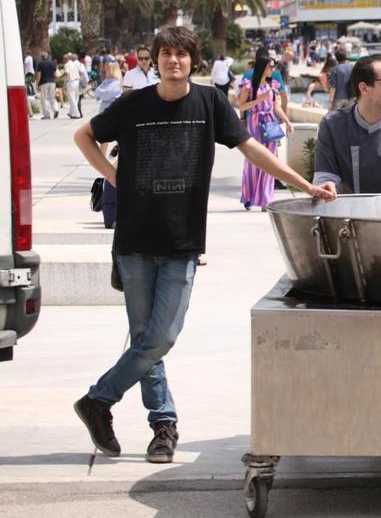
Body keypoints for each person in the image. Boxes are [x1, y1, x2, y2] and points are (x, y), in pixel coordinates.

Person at [71, 26, 334, 466]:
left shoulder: (209, 103)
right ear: (154, 60)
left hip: (182, 241)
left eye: (182, 54)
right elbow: (84, 135)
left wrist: (303, 183)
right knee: (145, 339)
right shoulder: (133, 104)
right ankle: (163, 427)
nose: (174, 61)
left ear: (193, 61)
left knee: (162, 336)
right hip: (134, 241)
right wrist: (114, 176)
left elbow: (251, 148)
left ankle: (99, 400)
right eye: (166, 54)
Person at [313, 55, 381, 194]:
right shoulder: (332, 125)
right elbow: (325, 176)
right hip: (345, 213)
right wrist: (327, 185)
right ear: (364, 88)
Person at [236, 55, 293, 210]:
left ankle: (265, 199)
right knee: (252, 162)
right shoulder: (248, 87)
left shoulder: (272, 86)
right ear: (263, 67)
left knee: (270, 162)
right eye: (270, 67)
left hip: (270, 126)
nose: (272, 70)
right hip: (254, 126)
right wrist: (258, 100)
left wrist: (287, 121)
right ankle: (249, 197)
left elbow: (277, 108)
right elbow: (241, 107)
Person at [35, 51, 57, 120]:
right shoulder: (52, 63)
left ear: (41, 57)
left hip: (44, 82)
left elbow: (39, 74)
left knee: (44, 98)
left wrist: (37, 84)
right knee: (52, 97)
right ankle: (56, 109)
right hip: (52, 82)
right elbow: (55, 73)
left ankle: (47, 115)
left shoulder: (40, 64)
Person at [62, 53, 84, 118]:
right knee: (75, 98)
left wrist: (64, 83)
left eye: (64, 59)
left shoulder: (66, 65)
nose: (63, 60)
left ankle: (77, 114)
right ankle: (71, 113)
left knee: (72, 99)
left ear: (67, 59)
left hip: (71, 82)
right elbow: (81, 72)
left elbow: (67, 74)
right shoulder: (75, 64)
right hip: (77, 81)